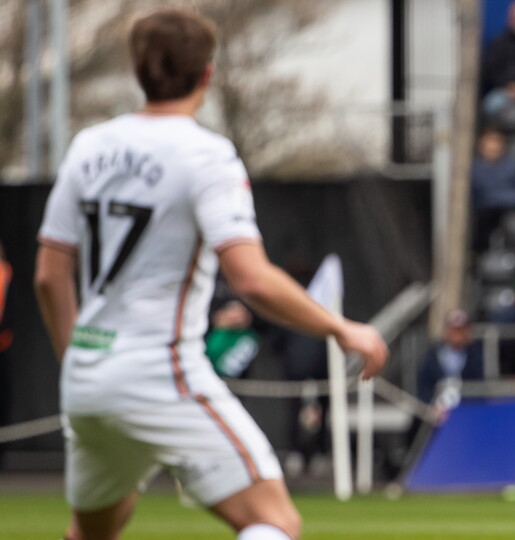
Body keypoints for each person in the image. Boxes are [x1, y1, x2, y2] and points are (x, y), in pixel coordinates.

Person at [33, 10, 388, 540]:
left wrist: (76, 362)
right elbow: (251, 279)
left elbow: (48, 276)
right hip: (160, 371)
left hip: (87, 375)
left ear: (138, 72)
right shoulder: (206, 155)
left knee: (93, 530)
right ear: (207, 74)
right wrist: (340, 327)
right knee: (274, 522)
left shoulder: (89, 146)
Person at [470, 128, 515, 250]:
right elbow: (480, 194)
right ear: (481, 145)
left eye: (496, 142)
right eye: (489, 143)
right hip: (484, 213)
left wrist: (494, 197)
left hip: (510, 210)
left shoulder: (514, 165)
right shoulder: (474, 168)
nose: (493, 147)